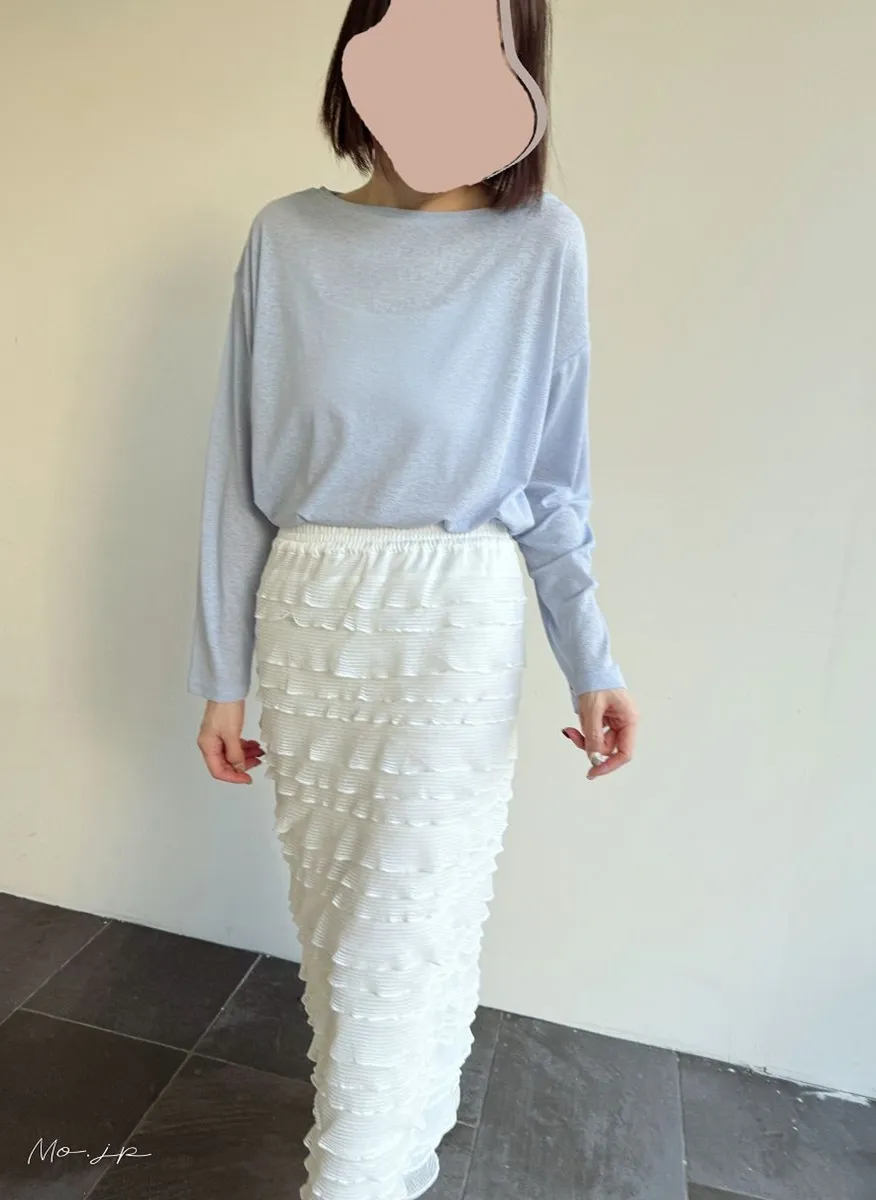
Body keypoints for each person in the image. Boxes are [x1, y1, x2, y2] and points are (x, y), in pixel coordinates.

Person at [187, 2, 638, 1196]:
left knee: (408, 915)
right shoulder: (285, 237)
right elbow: (237, 477)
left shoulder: (543, 245)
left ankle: (353, 1174)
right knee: (344, 927)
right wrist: (221, 675)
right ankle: (404, 1131)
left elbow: (553, 486)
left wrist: (592, 662)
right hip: (311, 617)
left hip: (454, 624)